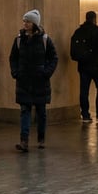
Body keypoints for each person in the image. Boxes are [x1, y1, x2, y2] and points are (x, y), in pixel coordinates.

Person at [10, 9, 58, 152]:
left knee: (41, 111)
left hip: (40, 81)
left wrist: (46, 72)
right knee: (25, 110)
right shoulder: (19, 40)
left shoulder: (45, 40)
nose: (25, 24)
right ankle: (24, 141)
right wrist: (15, 72)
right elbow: (13, 57)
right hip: (24, 80)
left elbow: (54, 58)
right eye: (24, 21)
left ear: (35, 24)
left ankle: (41, 138)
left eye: (28, 21)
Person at [71, 11, 98, 123]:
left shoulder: (78, 31)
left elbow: (73, 50)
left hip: (83, 66)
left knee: (84, 90)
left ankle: (85, 115)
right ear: (94, 19)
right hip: (96, 65)